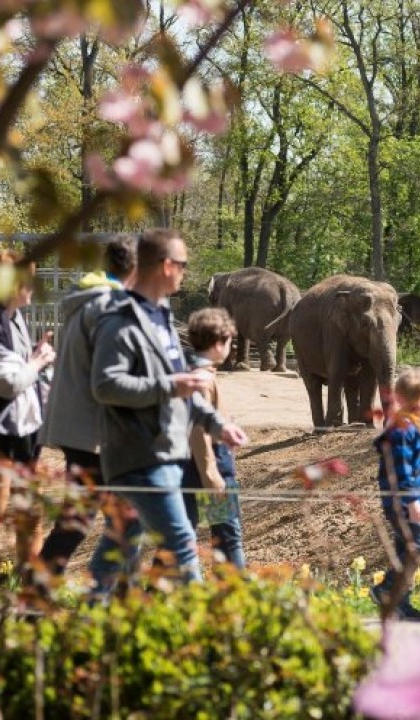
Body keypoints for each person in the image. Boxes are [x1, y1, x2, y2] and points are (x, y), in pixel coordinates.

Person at [88, 228, 247, 594]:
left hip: (166, 458)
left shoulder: (162, 321)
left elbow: (184, 391)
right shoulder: (120, 319)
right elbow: (105, 385)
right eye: (183, 265)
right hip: (139, 456)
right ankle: (215, 634)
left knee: (117, 549)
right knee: (181, 542)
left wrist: (216, 424)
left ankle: (90, 629)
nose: (186, 273)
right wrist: (170, 387)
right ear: (165, 265)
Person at [37, 236, 139, 576]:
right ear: (135, 268)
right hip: (92, 430)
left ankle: (115, 598)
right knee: (81, 520)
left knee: (118, 517)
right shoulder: (110, 304)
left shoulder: (90, 297)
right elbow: (108, 376)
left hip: (81, 427)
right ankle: (34, 598)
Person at [0, 251, 56, 573]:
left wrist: (36, 358)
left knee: (30, 515)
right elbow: (8, 386)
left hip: (27, 432)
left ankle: (30, 591)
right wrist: (39, 361)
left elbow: (22, 374)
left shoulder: (14, 319)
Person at [180, 307, 246, 570]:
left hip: (187, 468)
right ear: (219, 343)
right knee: (228, 536)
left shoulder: (192, 374)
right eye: (230, 341)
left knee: (182, 534)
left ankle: (161, 596)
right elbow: (198, 429)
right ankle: (235, 595)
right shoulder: (204, 379)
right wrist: (210, 472)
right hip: (211, 467)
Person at [370, 368, 420, 621]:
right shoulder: (403, 430)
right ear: (418, 400)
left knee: (403, 549)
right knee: (418, 545)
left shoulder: (409, 427)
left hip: (406, 501)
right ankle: (386, 589)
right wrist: (412, 501)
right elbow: (401, 469)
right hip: (403, 501)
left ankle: (399, 603)